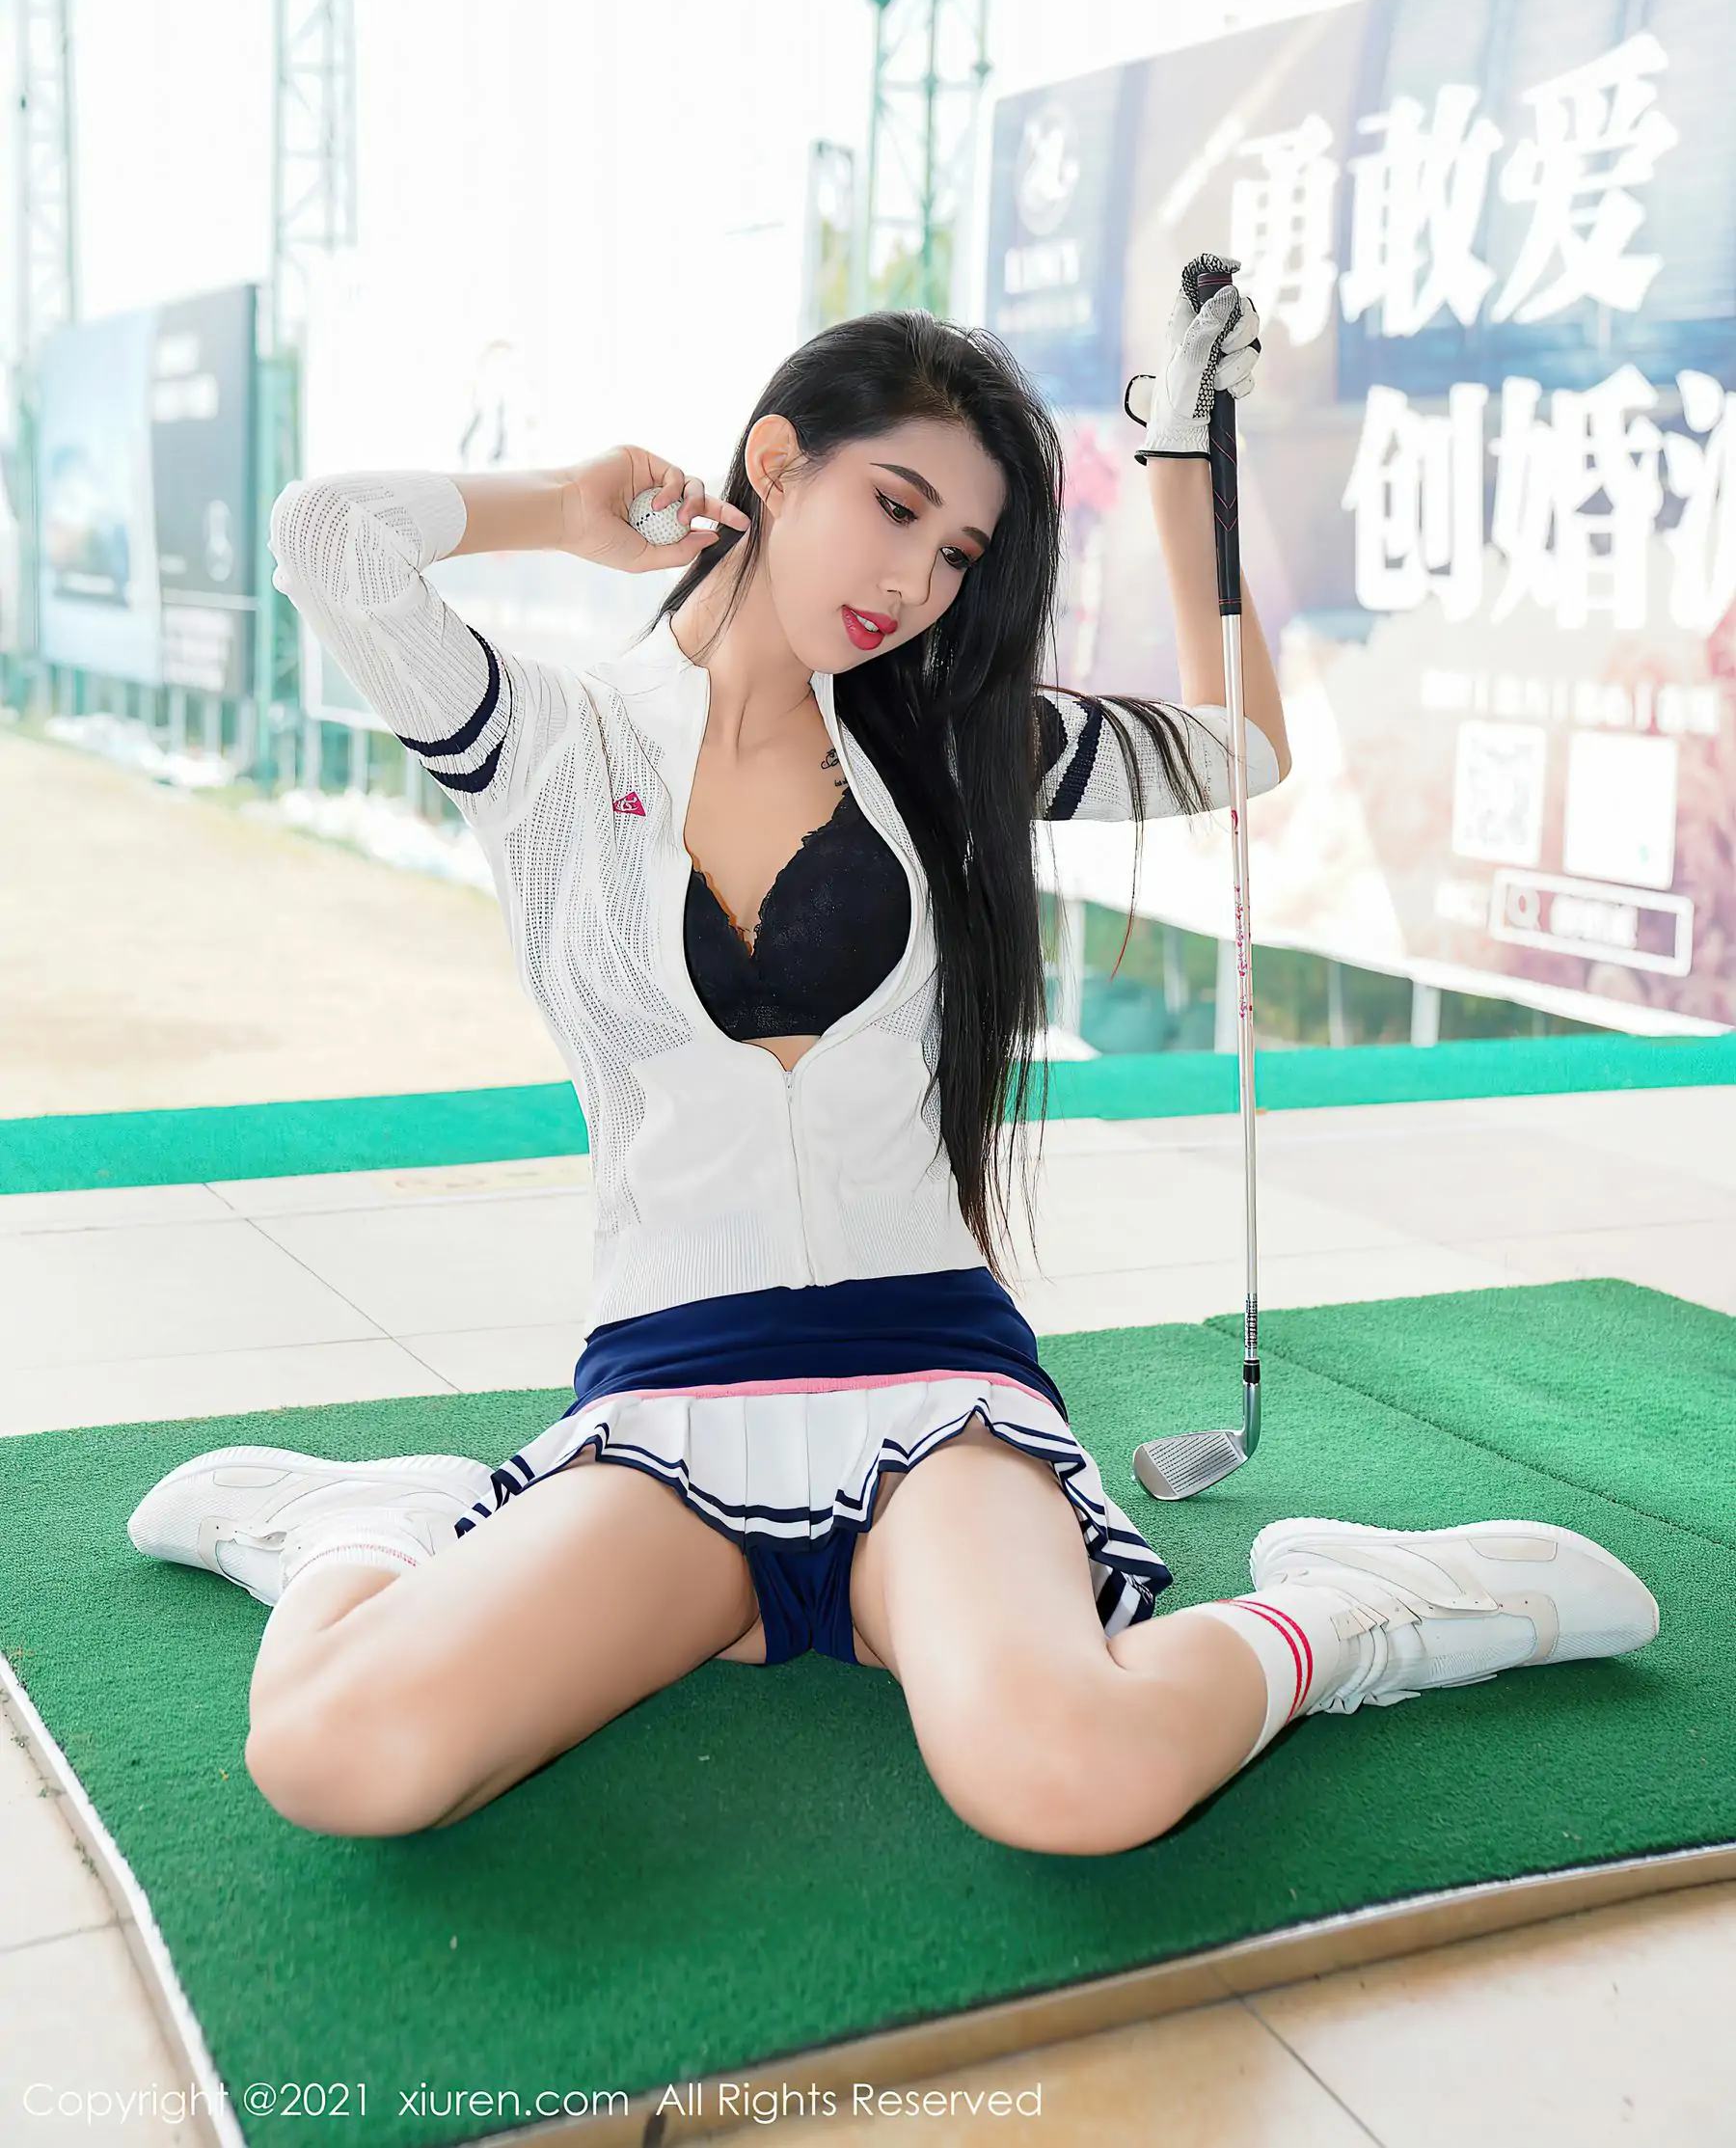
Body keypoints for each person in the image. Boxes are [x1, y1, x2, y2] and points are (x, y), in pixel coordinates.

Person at [128, 286, 1659, 1850]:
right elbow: (327, 540)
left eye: (959, 555)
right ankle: (359, 1530)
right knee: (338, 1759)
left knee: (1070, 1778)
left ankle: (1350, 1615)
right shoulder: (548, 747)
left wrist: (1186, 460)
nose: (915, 583)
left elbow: (1240, 750)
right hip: (670, 1392)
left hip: (938, 1392)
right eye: (896, 507)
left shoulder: (954, 753)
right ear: (775, 463)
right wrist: (563, 508)